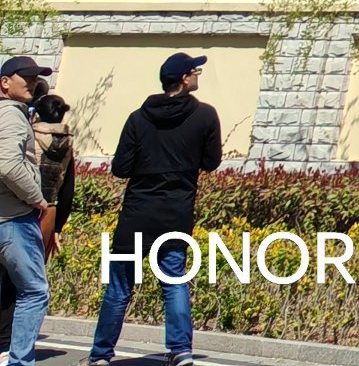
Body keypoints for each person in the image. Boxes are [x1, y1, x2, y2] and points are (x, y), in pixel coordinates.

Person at [92, 51, 223, 366]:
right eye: (195, 72)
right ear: (184, 79)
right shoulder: (205, 116)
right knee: (174, 282)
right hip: (176, 213)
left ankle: (101, 355)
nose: (197, 76)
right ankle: (180, 351)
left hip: (137, 213)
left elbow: (121, 168)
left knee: (119, 287)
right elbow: (211, 161)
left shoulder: (138, 118)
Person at [0, 89, 76, 344]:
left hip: (20, 205)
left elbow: (10, 168)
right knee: (27, 280)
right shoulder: (67, 143)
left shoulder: (26, 133)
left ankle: (4, 338)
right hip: (49, 212)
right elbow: (68, 189)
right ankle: (11, 340)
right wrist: (58, 227)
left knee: (8, 274)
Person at [0, 55, 50, 366]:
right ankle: (19, 361)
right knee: (34, 291)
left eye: (35, 77)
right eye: (26, 77)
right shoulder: (11, 115)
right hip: (13, 218)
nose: (32, 83)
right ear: (5, 82)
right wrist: (37, 198)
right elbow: (7, 164)